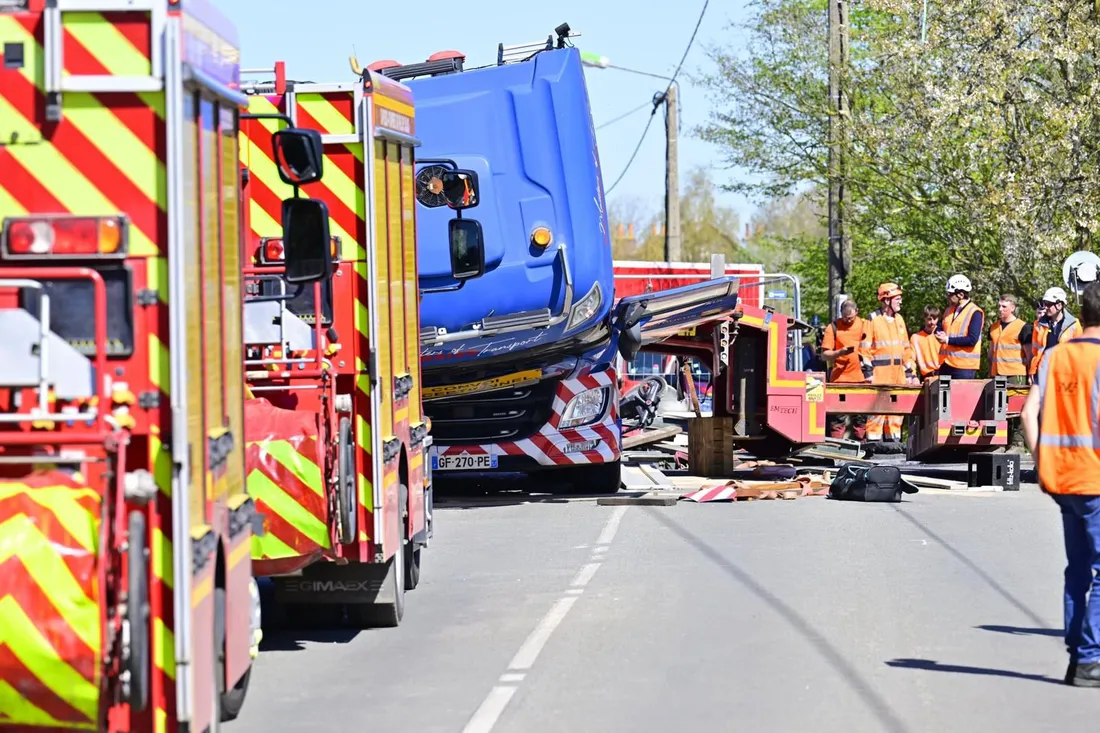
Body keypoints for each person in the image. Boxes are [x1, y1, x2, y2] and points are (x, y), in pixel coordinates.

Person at [1020, 279, 1100, 688]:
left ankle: (1076, 653)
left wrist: (1041, 462)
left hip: (1061, 478)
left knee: (1079, 569)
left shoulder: (1053, 357)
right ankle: (1088, 658)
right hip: (1095, 479)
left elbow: (1027, 414)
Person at [864, 283, 917, 447]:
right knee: (877, 412)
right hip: (879, 375)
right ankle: (873, 443)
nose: (900, 302)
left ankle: (894, 443)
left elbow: (906, 349)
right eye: (898, 299)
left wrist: (910, 374)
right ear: (886, 300)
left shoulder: (900, 320)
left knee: (896, 412)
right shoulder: (872, 319)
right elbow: (864, 349)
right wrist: (868, 374)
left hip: (898, 375)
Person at [819, 299, 870, 441]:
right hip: (839, 381)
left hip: (860, 380)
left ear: (857, 312)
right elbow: (824, 355)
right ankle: (836, 446)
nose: (848, 321)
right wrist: (840, 353)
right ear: (840, 313)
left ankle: (862, 447)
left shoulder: (865, 325)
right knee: (837, 419)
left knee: (860, 419)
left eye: (851, 318)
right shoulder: (833, 327)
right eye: (845, 318)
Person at [936, 274, 984, 378]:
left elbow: (972, 340)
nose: (948, 296)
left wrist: (947, 340)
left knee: (961, 395)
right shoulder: (949, 310)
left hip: (964, 367)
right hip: (946, 363)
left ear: (961, 295)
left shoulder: (975, 312)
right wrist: (938, 332)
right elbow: (941, 325)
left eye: (950, 294)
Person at [1030, 286, 1081, 382]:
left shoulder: (1074, 324)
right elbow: (1035, 352)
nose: (1046, 307)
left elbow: (1080, 353)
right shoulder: (1039, 324)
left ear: (1059, 305)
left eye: (1049, 304)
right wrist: (1033, 371)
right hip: (1043, 373)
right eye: (1045, 304)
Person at [990, 294, 1032, 385]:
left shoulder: (1024, 327)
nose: (1000, 309)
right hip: (997, 374)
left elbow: (1029, 356)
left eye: (1004, 306)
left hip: (1016, 375)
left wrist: (1031, 375)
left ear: (1012, 308)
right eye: (999, 306)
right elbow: (991, 354)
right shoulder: (993, 327)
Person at [910, 305, 942, 380]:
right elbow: (911, 359)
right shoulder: (915, 338)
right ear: (924, 318)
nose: (932, 322)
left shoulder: (942, 335)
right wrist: (913, 376)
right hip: (926, 377)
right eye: (929, 319)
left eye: (935, 319)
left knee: (945, 392)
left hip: (943, 376)